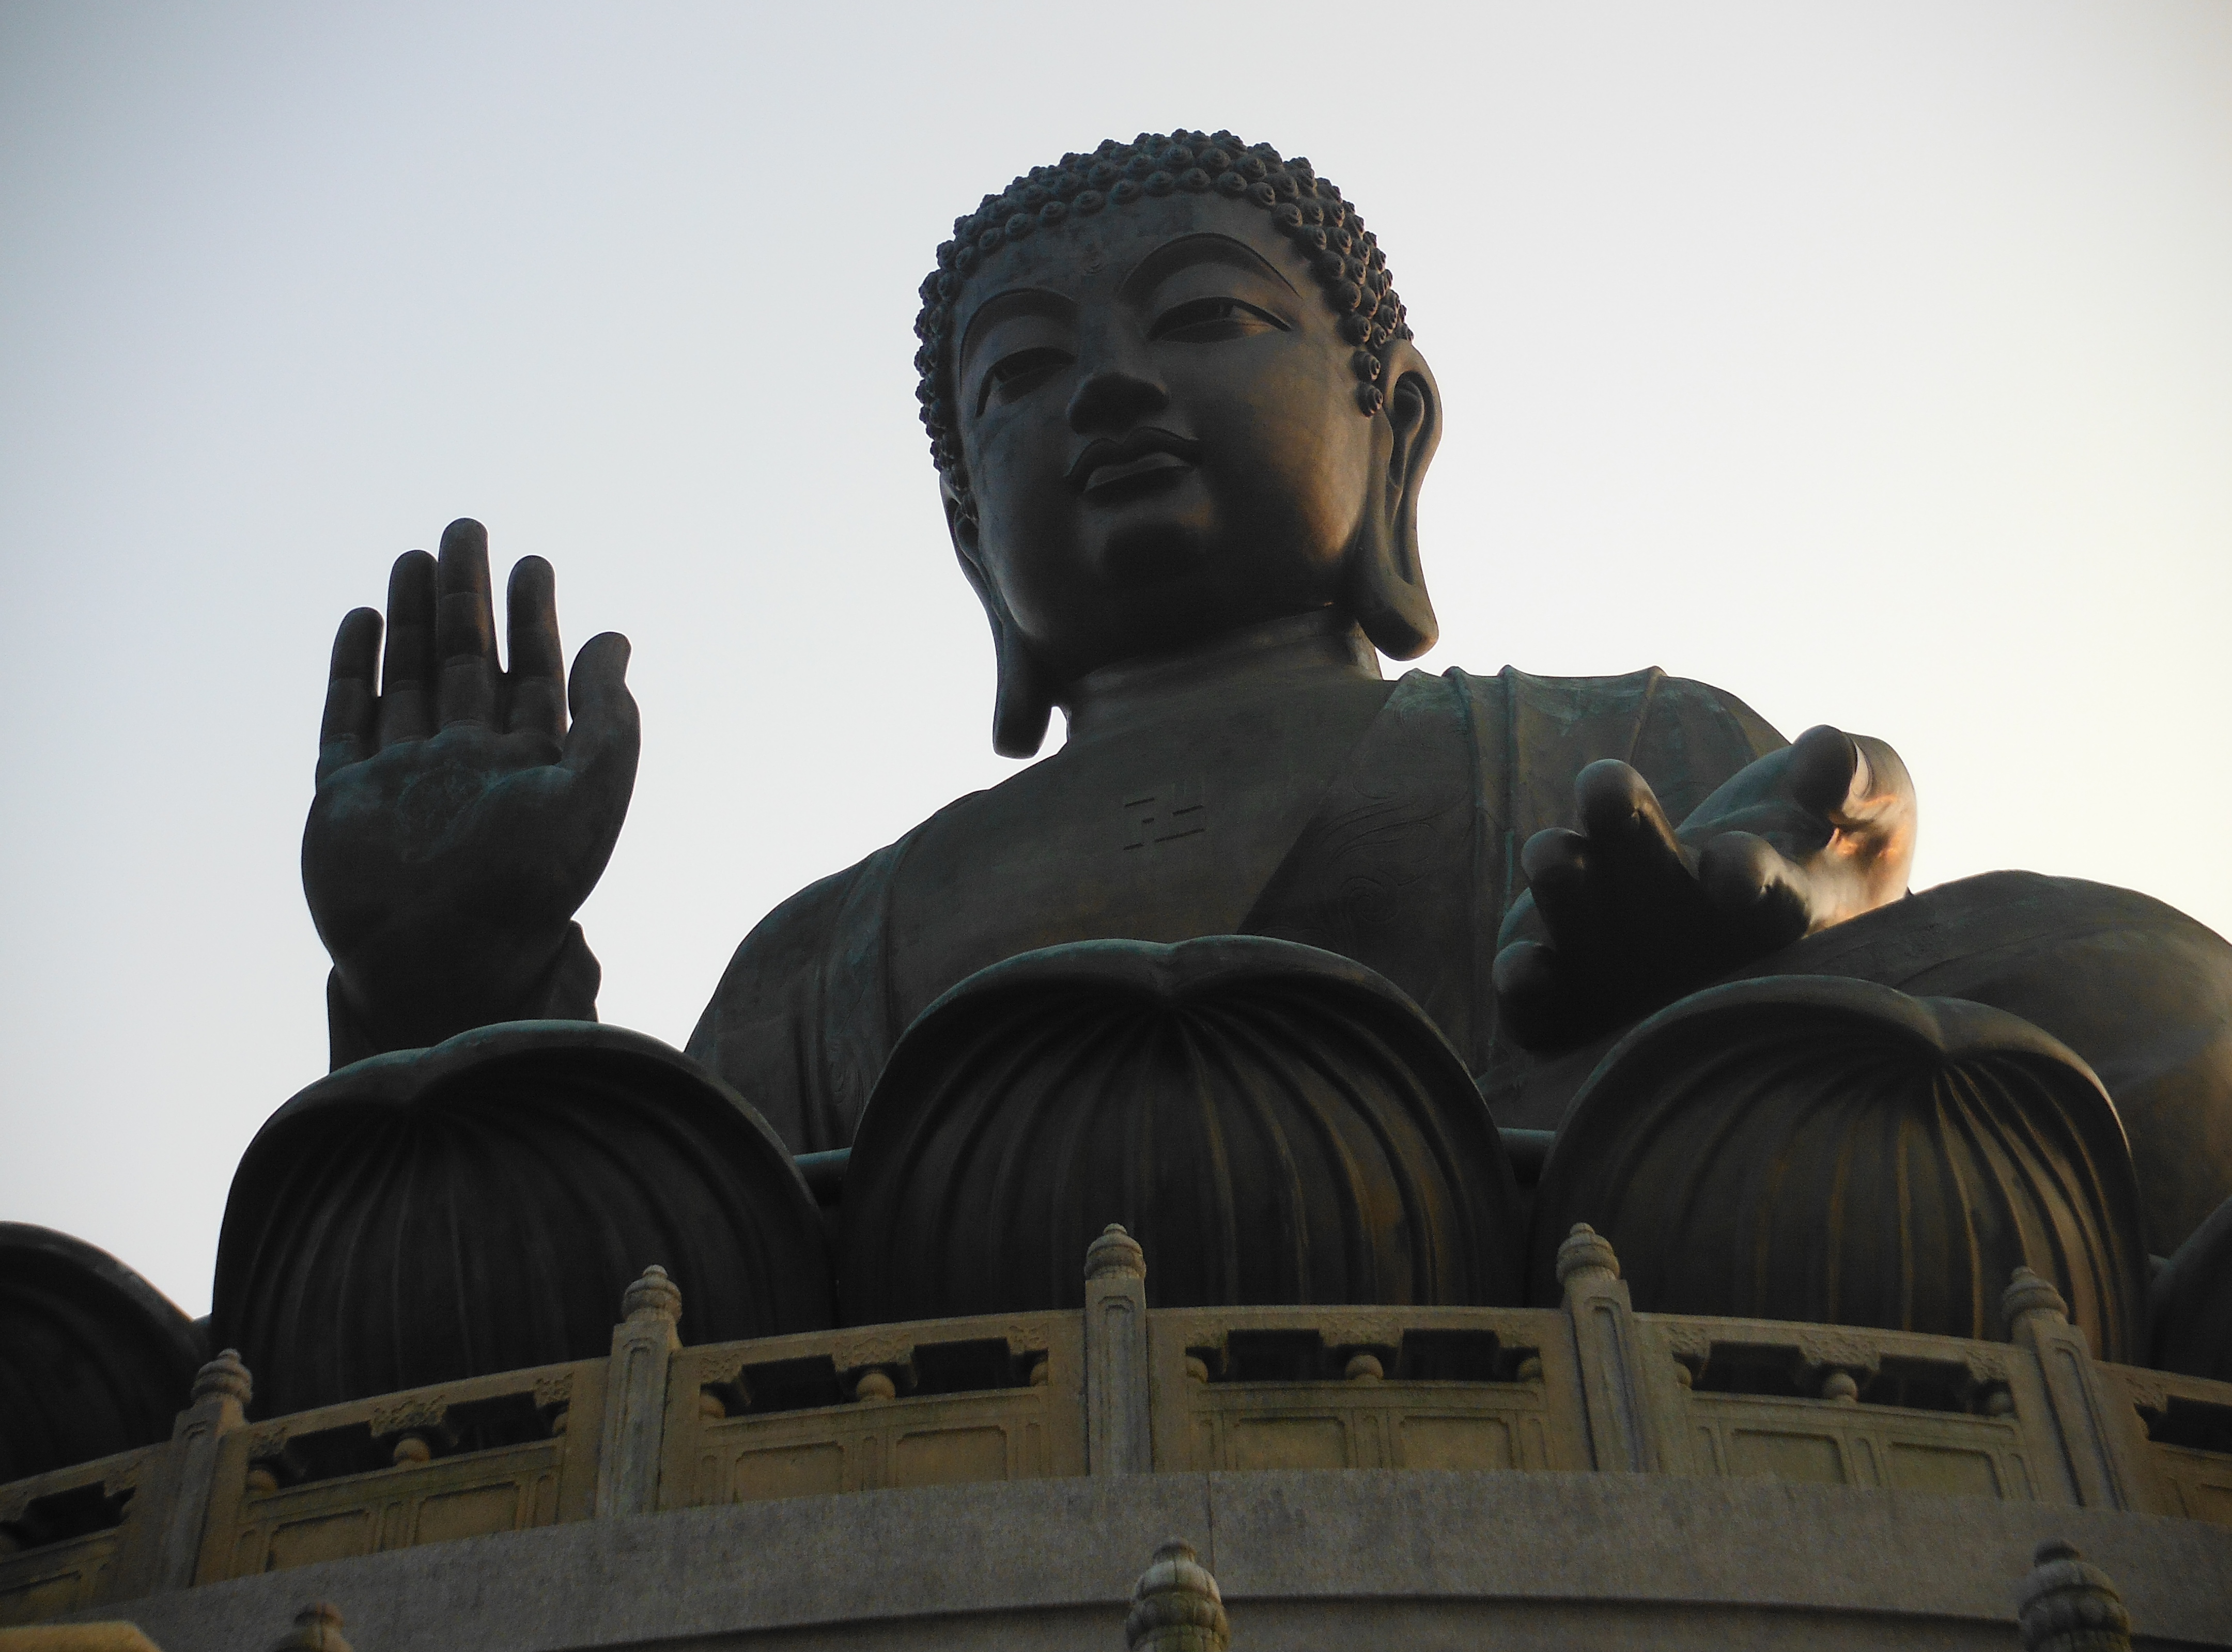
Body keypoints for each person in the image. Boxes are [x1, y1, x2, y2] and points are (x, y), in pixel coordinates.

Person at [303, 131, 2232, 1261]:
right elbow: (628, 1263)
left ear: (1395, 434)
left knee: (2144, 992)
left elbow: (1838, 827)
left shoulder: (1600, 744)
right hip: (987, 1341)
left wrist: (1768, 915)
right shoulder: (831, 951)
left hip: (1581, 1253)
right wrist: (449, 985)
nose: (1109, 388)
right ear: (972, 535)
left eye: (1207, 317)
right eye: (1023, 374)